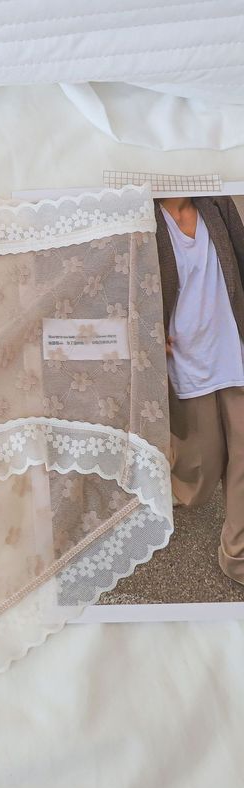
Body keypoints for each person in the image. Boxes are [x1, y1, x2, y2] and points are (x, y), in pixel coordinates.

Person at [154, 194, 244, 586]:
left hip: (233, 352)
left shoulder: (215, 203)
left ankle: (237, 556)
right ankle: (172, 488)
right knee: (202, 466)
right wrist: (148, 329)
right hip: (186, 360)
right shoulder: (143, 216)